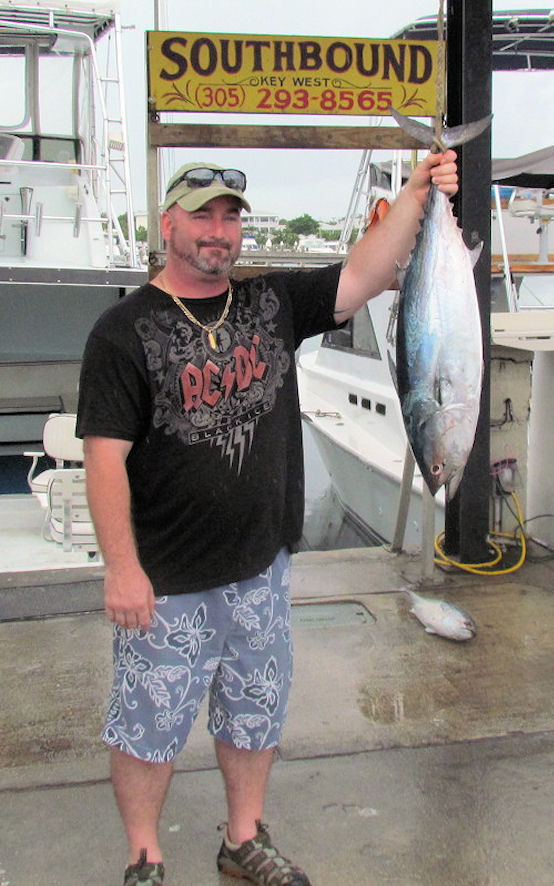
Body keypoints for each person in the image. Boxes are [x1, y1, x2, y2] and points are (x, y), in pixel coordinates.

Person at [76, 150, 458, 886]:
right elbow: (103, 460)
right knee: (148, 727)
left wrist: (417, 193)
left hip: (259, 569)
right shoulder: (122, 332)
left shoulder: (271, 304)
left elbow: (366, 275)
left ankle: (243, 838)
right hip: (167, 582)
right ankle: (145, 857)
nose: (216, 231)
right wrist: (122, 569)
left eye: (229, 217)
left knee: (254, 711)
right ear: (169, 224)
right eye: (201, 215)